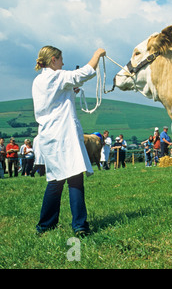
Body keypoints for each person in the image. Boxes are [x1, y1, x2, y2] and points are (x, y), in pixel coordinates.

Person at [33, 45, 106, 235]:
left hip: (48, 135)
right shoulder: (57, 76)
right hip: (64, 135)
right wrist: (96, 54)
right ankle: (80, 225)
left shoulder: (38, 80)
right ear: (53, 60)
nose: (63, 63)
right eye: (61, 59)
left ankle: (45, 225)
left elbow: (55, 99)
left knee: (55, 180)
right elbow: (84, 73)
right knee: (75, 178)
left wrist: (69, 91)